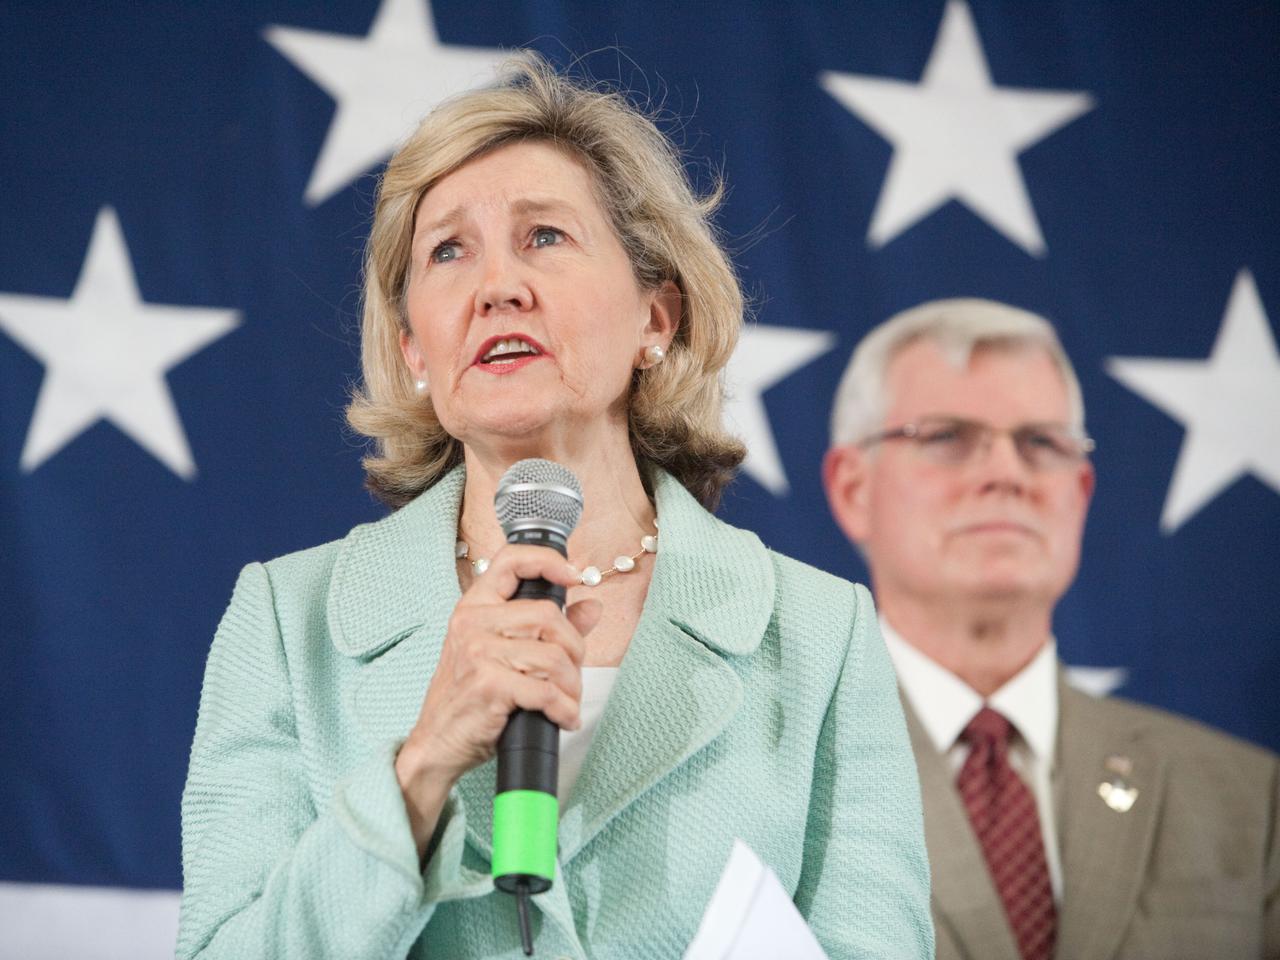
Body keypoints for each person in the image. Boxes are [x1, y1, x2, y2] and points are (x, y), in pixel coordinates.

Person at [177, 54, 933, 960]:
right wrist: (419, 770)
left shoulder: (821, 634)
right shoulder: (284, 624)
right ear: (414, 346)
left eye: (544, 237)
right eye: (448, 250)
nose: (498, 285)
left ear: (657, 317)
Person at [822, 297, 1280, 960]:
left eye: (1042, 443)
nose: (1007, 474)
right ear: (853, 490)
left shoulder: (1251, 801)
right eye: (947, 437)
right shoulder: (772, 775)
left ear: (1081, 492)